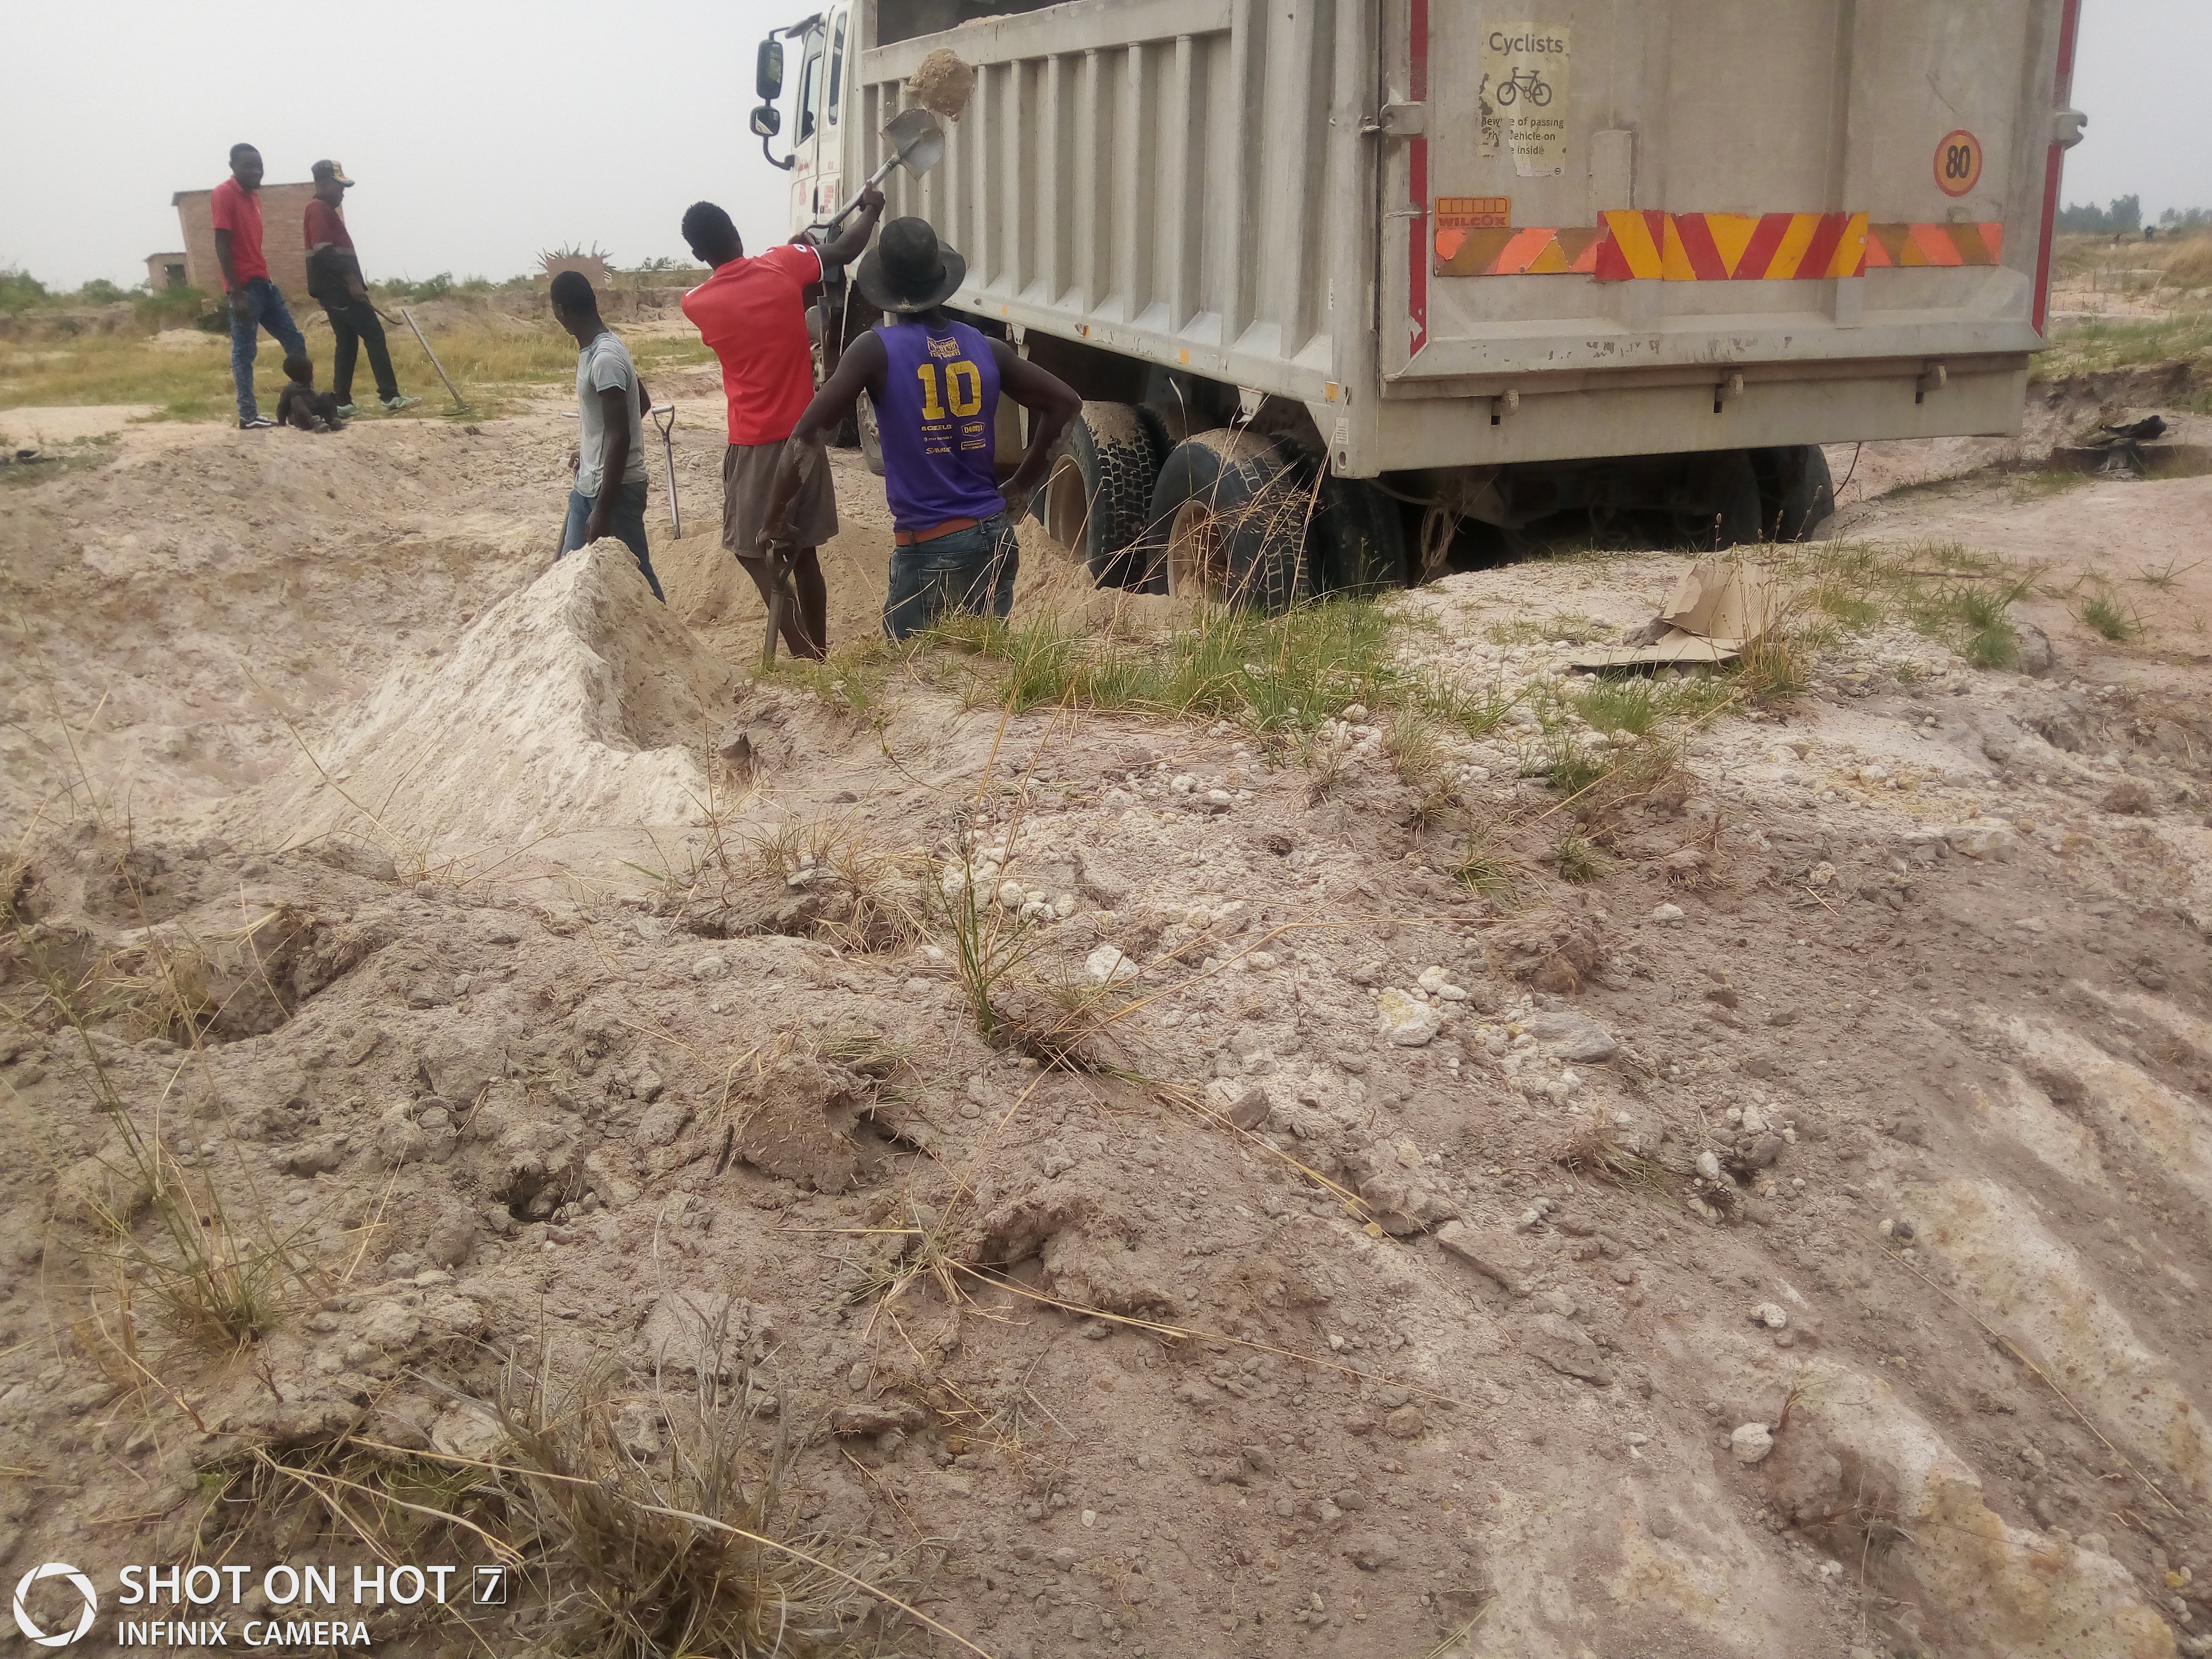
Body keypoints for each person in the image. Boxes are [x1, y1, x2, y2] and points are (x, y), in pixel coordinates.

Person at [763, 218, 1080, 640]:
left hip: (933, 547)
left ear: (886, 289)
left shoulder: (875, 351)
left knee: (917, 682)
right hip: (995, 539)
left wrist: (775, 519)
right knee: (980, 676)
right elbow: (1066, 404)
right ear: (941, 280)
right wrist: (1021, 487)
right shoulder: (986, 348)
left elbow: (806, 435)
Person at [678, 189, 885, 660]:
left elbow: (739, 291)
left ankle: (805, 655)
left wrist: (792, 254)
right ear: (736, 231)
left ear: (697, 253)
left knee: (754, 552)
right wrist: (870, 208)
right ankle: (820, 652)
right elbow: (847, 250)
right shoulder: (783, 265)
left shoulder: (697, 304)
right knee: (805, 554)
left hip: (754, 446)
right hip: (805, 437)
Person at [549, 269, 664, 602]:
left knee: (638, 577)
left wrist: (603, 508)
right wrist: (591, 453)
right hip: (590, 484)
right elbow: (640, 404)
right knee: (568, 573)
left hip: (614, 491)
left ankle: (671, 647)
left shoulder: (605, 359)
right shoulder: (602, 349)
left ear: (560, 312)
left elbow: (621, 435)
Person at [302, 160, 420, 416]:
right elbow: (323, 250)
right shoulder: (318, 209)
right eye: (338, 186)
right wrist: (352, 281)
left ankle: (342, 402)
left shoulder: (324, 210)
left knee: (346, 341)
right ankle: (390, 397)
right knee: (374, 335)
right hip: (338, 288)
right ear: (322, 184)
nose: (342, 192)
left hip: (332, 288)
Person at [212, 143, 307, 430]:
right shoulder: (224, 194)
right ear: (233, 167)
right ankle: (248, 415)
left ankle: (304, 403)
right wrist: (235, 291)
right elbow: (222, 242)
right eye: (249, 165)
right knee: (244, 351)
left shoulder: (254, 197)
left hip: (264, 283)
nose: (256, 171)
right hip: (244, 288)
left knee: (295, 340)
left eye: (259, 165)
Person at [274, 355, 345, 432]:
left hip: (315, 413)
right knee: (297, 400)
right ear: (301, 374)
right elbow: (283, 407)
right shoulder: (290, 389)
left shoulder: (308, 385)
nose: (312, 375)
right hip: (303, 420)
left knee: (326, 395)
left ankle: (333, 420)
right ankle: (314, 422)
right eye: (309, 372)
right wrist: (281, 422)